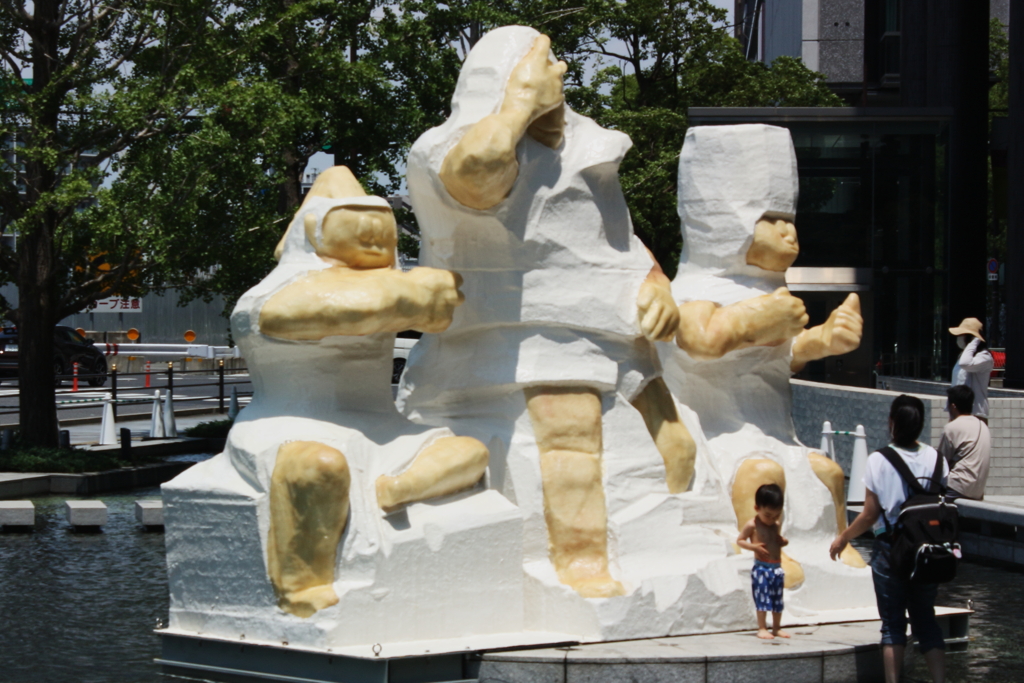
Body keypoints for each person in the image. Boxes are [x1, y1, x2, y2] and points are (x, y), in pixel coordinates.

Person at [399, 27, 697, 598]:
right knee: (569, 435)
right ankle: (581, 562)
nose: (562, 69)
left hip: (617, 340)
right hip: (521, 340)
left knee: (677, 448)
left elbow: (618, 238)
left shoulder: (589, 147)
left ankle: (682, 552)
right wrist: (518, 105)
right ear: (513, 80)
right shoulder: (448, 148)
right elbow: (479, 178)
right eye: (547, 61)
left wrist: (656, 283)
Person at [230, 166, 489, 618]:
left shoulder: (395, 285)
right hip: (288, 424)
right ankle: (301, 584)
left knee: (468, 453)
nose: (373, 242)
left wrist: (419, 290)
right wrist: (410, 291)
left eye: (381, 233)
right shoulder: (272, 296)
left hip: (382, 426)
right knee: (318, 468)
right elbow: (343, 308)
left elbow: (437, 307)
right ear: (317, 234)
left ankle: (397, 487)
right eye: (358, 230)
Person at [660, 124, 867, 587]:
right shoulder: (697, 288)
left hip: (775, 429)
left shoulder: (772, 291)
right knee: (759, 474)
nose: (789, 234)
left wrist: (823, 340)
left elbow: (783, 356)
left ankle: (837, 543)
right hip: (719, 432)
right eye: (772, 221)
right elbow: (698, 339)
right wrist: (752, 322)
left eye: (790, 220)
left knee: (829, 471)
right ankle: (761, 553)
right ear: (728, 226)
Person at [830, 394, 948, 683]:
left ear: (892, 423)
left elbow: (869, 515)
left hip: (890, 550)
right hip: (928, 552)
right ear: (920, 424)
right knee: (926, 620)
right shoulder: (937, 459)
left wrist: (843, 537)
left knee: (893, 625)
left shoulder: (879, 461)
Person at [737, 483, 791, 640]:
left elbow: (776, 540)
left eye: (776, 515)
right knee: (763, 598)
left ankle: (776, 627)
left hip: (776, 567)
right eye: (768, 515)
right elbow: (740, 540)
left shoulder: (776, 525)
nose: (772, 519)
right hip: (762, 569)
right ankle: (762, 627)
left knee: (777, 599)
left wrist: (782, 541)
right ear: (757, 508)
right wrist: (754, 547)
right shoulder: (752, 525)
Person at [939, 384, 991, 500]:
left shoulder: (952, 427)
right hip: (978, 491)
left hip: (956, 487)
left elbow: (940, 463)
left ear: (953, 406)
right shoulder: (982, 425)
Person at [949, 317, 993, 423]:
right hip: (958, 412)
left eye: (962, 335)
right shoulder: (963, 356)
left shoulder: (984, 357)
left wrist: (975, 340)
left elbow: (965, 363)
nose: (959, 338)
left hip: (976, 414)